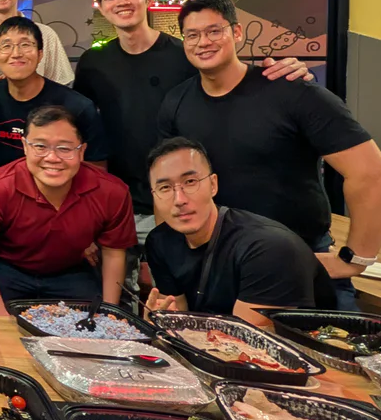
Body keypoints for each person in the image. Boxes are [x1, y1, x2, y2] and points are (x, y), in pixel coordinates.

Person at [158, 0, 381, 305]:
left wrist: (353, 259)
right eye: (193, 34)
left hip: (301, 258)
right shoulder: (176, 103)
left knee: (328, 350)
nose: (204, 42)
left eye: (215, 31)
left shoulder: (293, 92)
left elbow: (374, 176)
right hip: (218, 263)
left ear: (237, 33)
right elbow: (167, 186)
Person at [75, 0, 315, 236]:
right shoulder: (93, 63)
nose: (122, 2)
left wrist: (288, 70)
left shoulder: (185, 55)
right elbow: (85, 126)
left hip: (185, 198)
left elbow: (229, 85)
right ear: (102, 6)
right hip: (121, 198)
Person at [141, 138, 333, 327]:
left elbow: (242, 343)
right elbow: (179, 318)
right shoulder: (160, 242)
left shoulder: (268, 249)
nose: (179, 199)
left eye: (190, 181)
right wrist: (160, 325)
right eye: (165, 187)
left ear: (213, 184)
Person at [0, 106, 136, 313]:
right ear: (25, 147)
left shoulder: (112, 192)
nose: (52, 158)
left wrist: (110, 310)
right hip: (8, 269)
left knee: (94, 330)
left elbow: (114, 253)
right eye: (40, 146)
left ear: (81, 151)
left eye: (64, 148)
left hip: (71, 271)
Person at [0, 17, 108, 170]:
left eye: (25, 45)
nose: (16, 53)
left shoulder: (76, 107)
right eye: (6, 46)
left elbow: (96, 167)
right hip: (2, 190)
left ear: (40, 54)